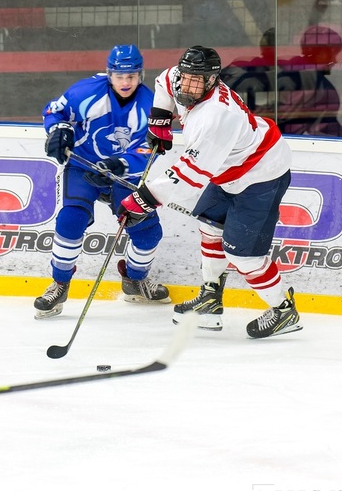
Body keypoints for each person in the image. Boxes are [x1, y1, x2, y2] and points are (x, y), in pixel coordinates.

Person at [118, 45, 303, 340]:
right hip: (228, 169)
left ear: (213, 80)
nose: (187, 85)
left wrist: (143, 200)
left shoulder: (216, 117)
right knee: (209, 226)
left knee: (243, 256)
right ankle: (210, 297)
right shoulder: (179, 79)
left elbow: (189, 177)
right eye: (185, 77)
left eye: (197, 81)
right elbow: (164, 81)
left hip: (260, 175)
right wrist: (160, 119)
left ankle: (284, 310)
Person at [35, 44, 170, 319]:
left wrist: (120, 164)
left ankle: (134, 280)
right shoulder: (86, 92)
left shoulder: (150, 106)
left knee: (149, 233)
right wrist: (58, 130)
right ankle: (59, 284)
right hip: (83, 166)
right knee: (70, 220)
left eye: (131, 75)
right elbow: (54, 111)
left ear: (141, 74)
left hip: (123, 175)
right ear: (110, 74)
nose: (125, 82)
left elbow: (152, 148)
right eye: (120, 76)